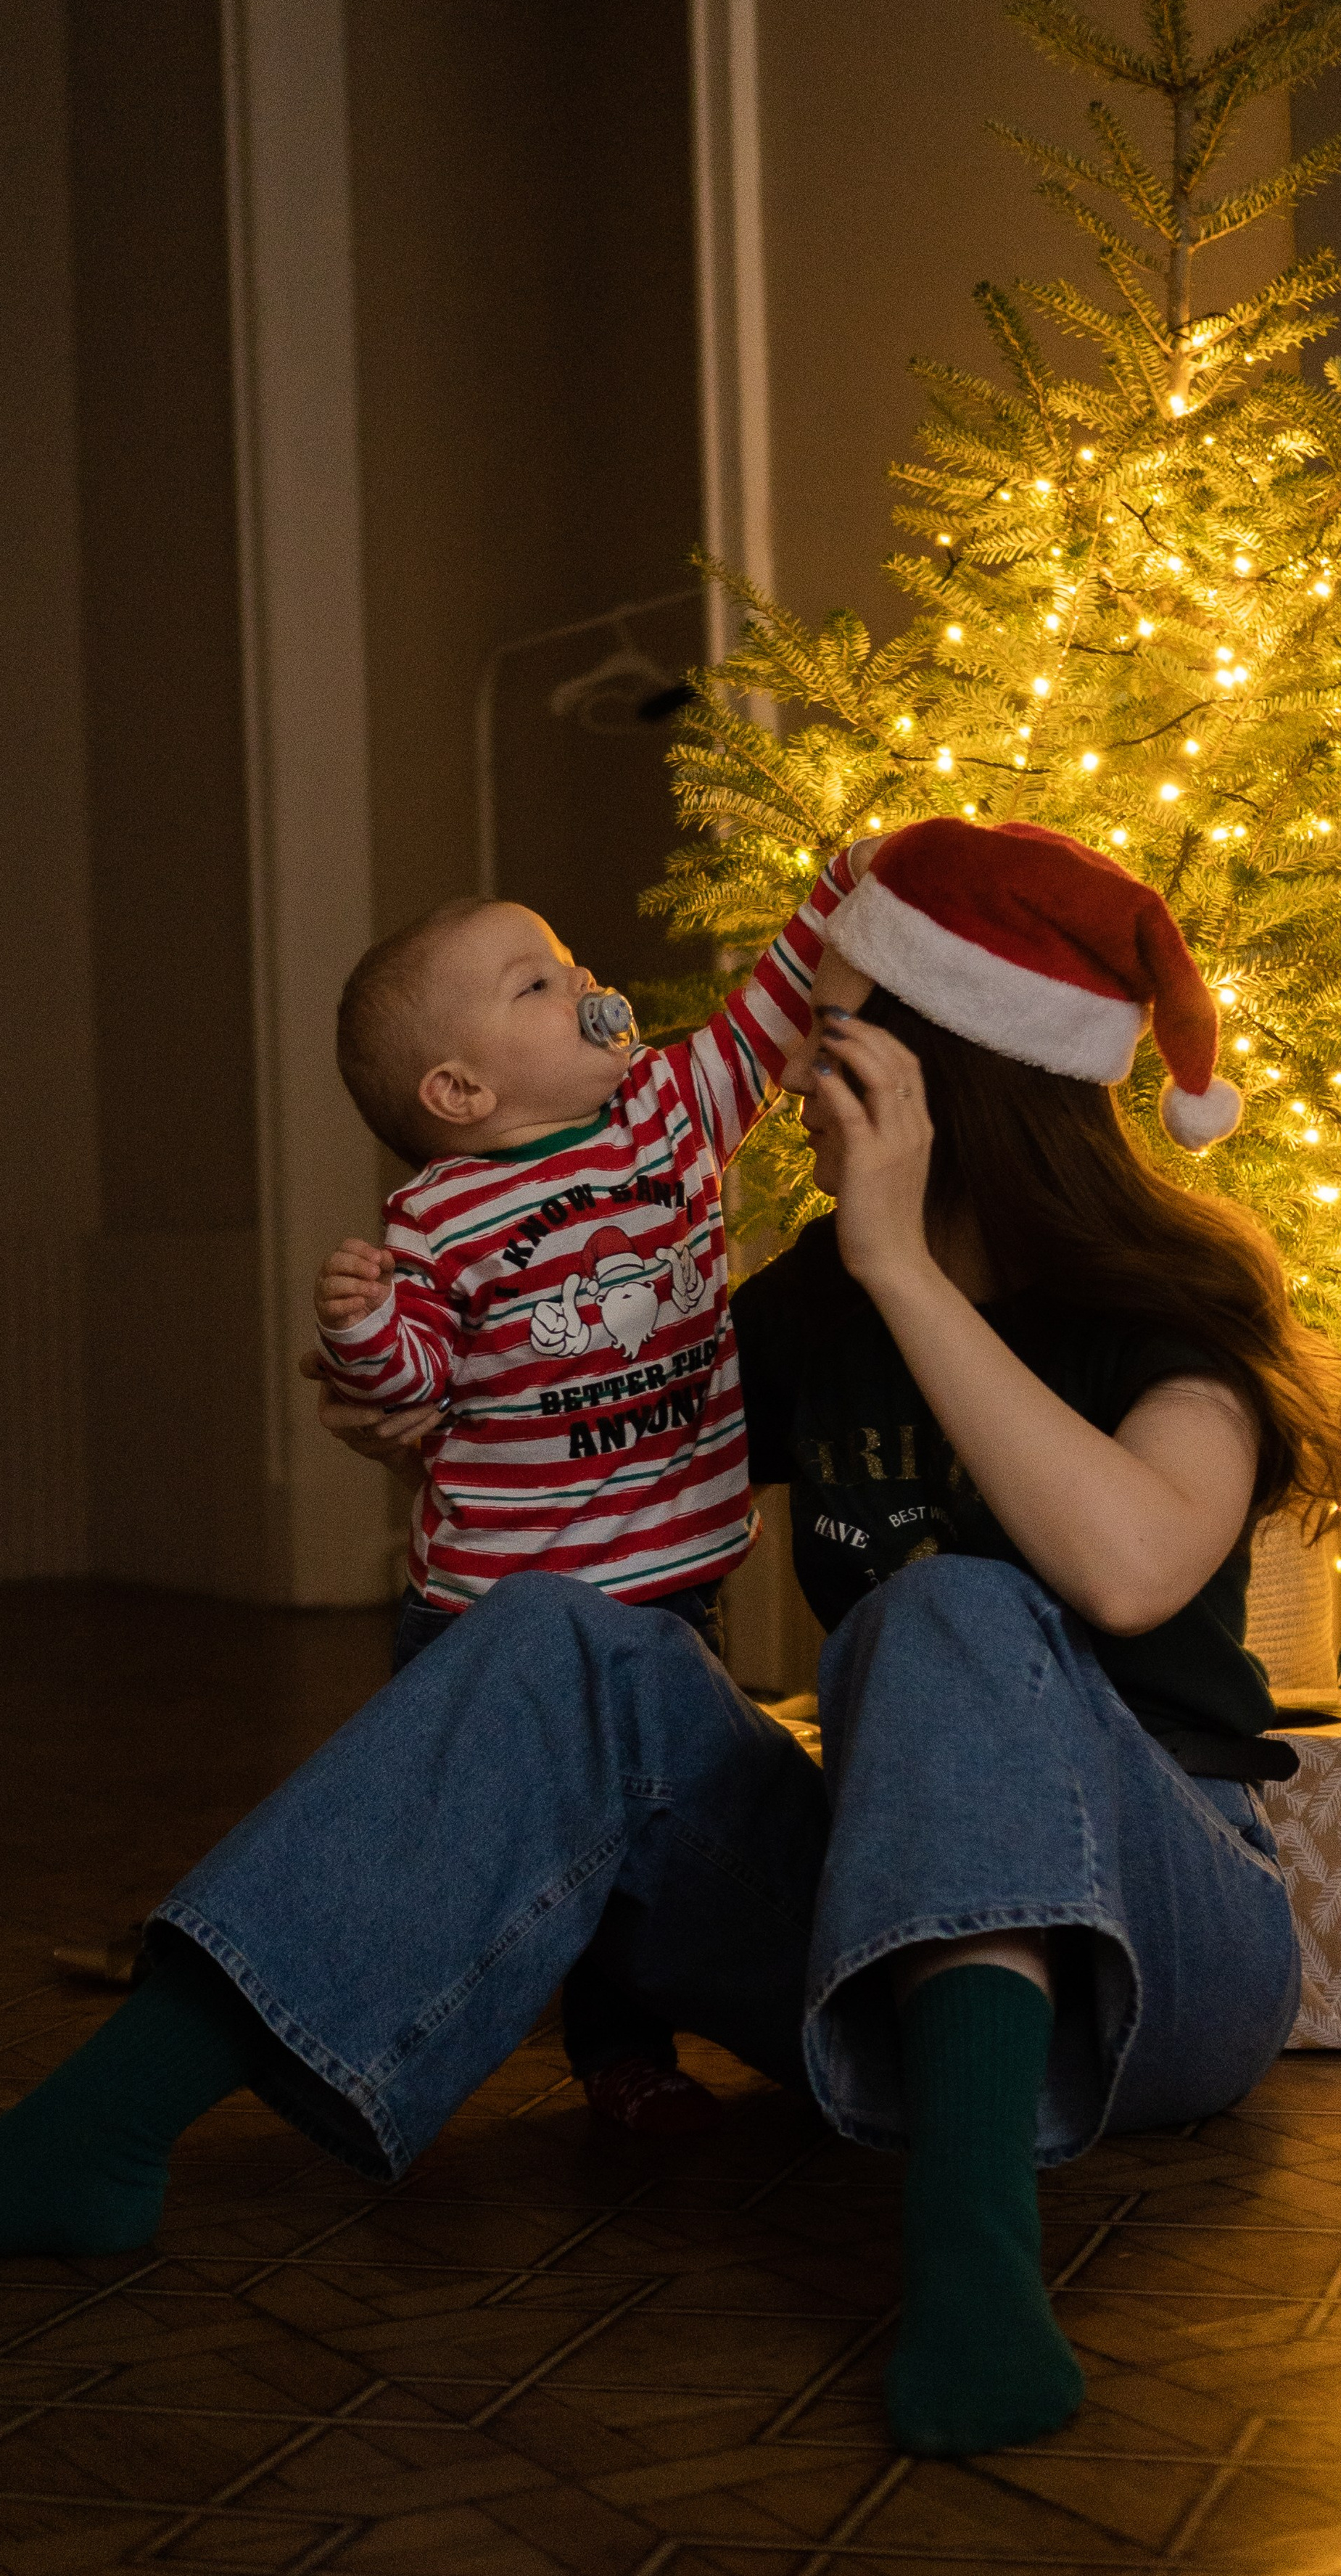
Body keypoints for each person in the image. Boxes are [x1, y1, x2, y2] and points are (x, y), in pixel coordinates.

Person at [0, 819, 1341, 2459]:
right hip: (872, 1960)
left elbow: (1130, 1571)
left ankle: (972, 2265)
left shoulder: (1159, 1308)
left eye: (833, 1050)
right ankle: (96, 2134)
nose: (786, 1081)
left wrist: (899, 1269)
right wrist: (415, 1417)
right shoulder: (812, 1310)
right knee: (556, 1633)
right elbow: (591, 1421)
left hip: (1169, 1967)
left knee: (952, 1601)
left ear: (935, 1087)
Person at [308, 847, 865, 2131]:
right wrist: (360, 1328)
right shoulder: (436, 1219)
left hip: (669, 1589)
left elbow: (766, 1018)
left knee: (645, 1846)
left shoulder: (670, 1110)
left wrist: (843, 886)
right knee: (487, 1852)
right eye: (541, 985)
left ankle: (624, 2049)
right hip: (492, 1617)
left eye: (572, 965)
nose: (590, 985)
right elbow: (410, 1380)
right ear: (460, 1088)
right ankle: (377, 2033)